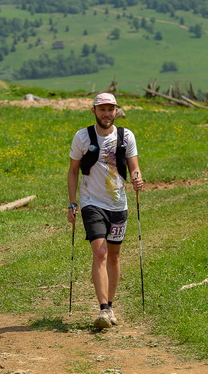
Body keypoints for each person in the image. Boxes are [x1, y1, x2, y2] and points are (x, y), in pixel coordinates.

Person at [67, 92, 143, 329]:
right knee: (100, 253)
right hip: (92, 203)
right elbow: (73, 170)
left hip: (118, 204)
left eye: (111, 109)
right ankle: (103, 309)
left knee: (114, 256)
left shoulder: (126, 136)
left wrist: (137, 178)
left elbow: (134, 167)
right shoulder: (82, 136)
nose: (106, 114)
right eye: (102, 109)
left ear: (116, 111)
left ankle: (110, 305)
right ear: (94, 111)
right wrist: (72, 203)